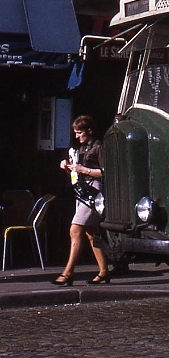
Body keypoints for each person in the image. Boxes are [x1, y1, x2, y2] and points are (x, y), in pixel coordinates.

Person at [54, 115, 111, 286]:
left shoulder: (99, 147)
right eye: (75, 133)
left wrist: (83, 169)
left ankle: (68, 272)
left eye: (79, 133)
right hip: (83, 191)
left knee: (75, 229)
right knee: (91, 232)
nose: (77, 136)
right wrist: (68, 166)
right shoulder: (82, 148)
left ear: (89, 131)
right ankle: (104, 271)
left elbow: (105, 172)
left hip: (94, 191)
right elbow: (77, 170)